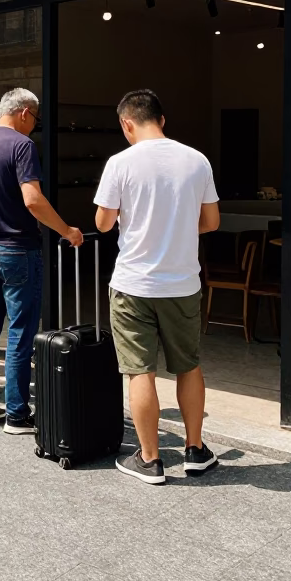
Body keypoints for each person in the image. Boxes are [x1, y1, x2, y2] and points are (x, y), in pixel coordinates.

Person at [94, 89, 221, 486]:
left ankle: (149, 460)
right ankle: (195, 449)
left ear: (126, 124)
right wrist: (180, 227)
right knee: (189, 366)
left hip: (133, 283)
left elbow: (102, 222)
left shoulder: (120, 163)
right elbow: (212, 222)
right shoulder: (196, 160)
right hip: (182, 283)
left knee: (139, 371)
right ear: (162, 120)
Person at [0, 88, 82, 433]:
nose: (35, 127)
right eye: (36, 119)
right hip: (17, 249)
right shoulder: (21, 146)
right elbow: (33, 200)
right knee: (20, 333)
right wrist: (66, 230)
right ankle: (16, 414)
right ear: (25, 113)